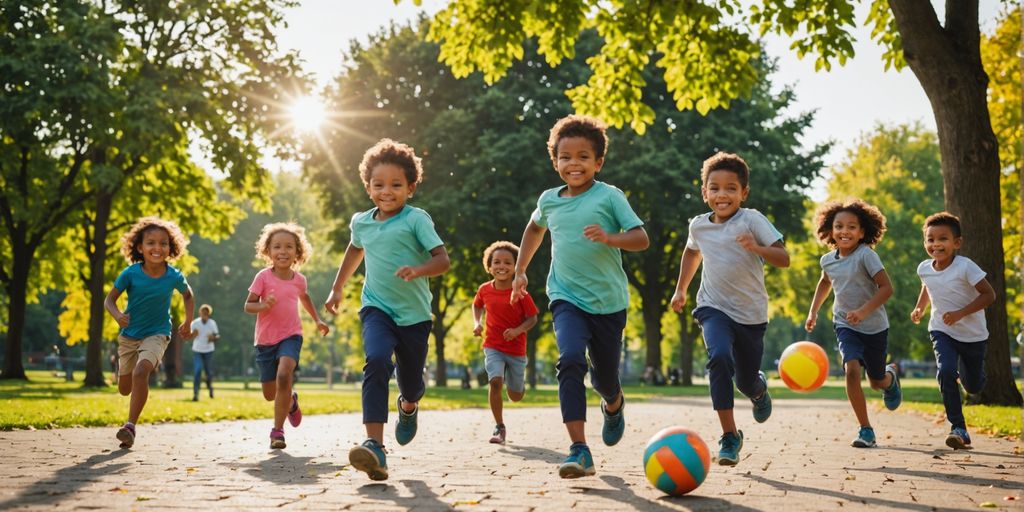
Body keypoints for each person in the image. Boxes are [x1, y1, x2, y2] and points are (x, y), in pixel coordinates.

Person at [511, 115, 649, 478]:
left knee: (604, 379)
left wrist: (610, 238)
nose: (574, 164)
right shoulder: (549, 200)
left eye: (583, 157)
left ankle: (614, 403)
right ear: (555, 161)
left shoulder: (610, 196)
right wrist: (521, 269)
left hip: (608, 303)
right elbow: (533, 229)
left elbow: (640, 238)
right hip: (565, 296)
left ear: (598, 163)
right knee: (570, 359)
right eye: (566, 157)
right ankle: (579, 449)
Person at [324, 138, 450, 481]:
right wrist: (337, 287)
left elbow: (443, 260)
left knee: (410, 382)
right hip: (376, 308)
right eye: (379, 185)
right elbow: (354, 251)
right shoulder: (361, 222)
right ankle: (375, 446)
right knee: (377, 361)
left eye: (396, 185)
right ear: (368, 187)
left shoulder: (416, 219)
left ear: (410, 187)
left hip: (415, 316)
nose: (387, 191)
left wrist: (419, 269)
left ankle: (408, 407)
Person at [670, 152, 789, 466]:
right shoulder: (698, 226)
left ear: (743, 193)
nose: (722, 194)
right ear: (705, 192)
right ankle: (729, 435)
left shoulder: (752, 220)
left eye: (731, 188)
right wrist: (681, 289)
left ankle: (758, 390)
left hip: (751, 314)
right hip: (712, 307)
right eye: (715, 188)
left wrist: (757, 247)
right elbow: (691, 253)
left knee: (745, 380)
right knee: (719, 358)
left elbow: (783, 258)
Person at [805, 199, 902, 448]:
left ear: (862, 232)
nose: (844, 231)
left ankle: (889, 379)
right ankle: (866, 429)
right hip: (845, 324)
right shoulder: (827, 260)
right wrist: (813, 312)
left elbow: (887, 288)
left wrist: (863, 311)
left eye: (851, 227)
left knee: (876, 380)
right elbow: (825, 282)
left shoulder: (866, 256)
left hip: (875, 326)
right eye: (839, 226)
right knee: (851, 371)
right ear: (830, 230)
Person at [104, 217, 195, 449]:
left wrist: (188, 322)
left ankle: (130, 426)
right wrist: (117, 315)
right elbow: (109, 300)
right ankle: (123, 374)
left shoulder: (173, 275)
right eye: (151, 243)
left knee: (141, 371)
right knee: (125, 387)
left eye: (163, 243)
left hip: (158, 332)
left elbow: (187, 295)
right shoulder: (130, 273)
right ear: (139, 247)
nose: (157, 248)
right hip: (129, 335)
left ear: (170, 247)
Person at [910, 212, 995, 449]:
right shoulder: (924, 268)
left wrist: (960, 313)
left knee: (974, 386)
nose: (936, 244)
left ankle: (973, 378)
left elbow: (989, 295)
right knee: (946, 371)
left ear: (957, 243)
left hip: (973, 335)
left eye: (943, 239)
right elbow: (928, 286)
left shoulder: (966, 267)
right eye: (930, 239)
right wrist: (919, 308)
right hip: (941, 330)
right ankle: (958, 428)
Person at [245, 222, 330, 449]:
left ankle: (277, 432)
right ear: (268, 251)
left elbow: (304, 297)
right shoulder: (263, 277)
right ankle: (291, 401)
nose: (283, 251)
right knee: (270, 394)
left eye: (289, 247)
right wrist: (263, 305)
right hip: (265, 340)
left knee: (284, 375)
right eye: (277, 247)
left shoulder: (299, 280)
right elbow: (248, 306)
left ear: (297, 252)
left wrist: (317, 319)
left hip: (291, 335)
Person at [472, 241, 539, 445]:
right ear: (489, 266)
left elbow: (533, 318)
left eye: (508, 262)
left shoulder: (520, 291)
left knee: (516, 395)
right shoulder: (484, 289)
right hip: (493, 345)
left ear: (516, 266)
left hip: (516, 350)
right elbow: (477, 306)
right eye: (497, 262)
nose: (502, 266)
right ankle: (499, 426)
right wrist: (477, 323)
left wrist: (518, 330)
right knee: (495, 382)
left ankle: (517, 384)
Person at [187, 304, 219, 401]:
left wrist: (213, 338)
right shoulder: (195, 323)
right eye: (203, 312)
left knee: (208, 372)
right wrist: (193, 334)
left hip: (209, 350)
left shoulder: (212, 323)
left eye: (206, 313)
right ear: (200, 313)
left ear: (208, 314)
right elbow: (189, 336)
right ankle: (195, 394)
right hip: (197, 350)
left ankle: (210, 389)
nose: (204, 314)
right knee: (198, 370)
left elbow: (217, 336)